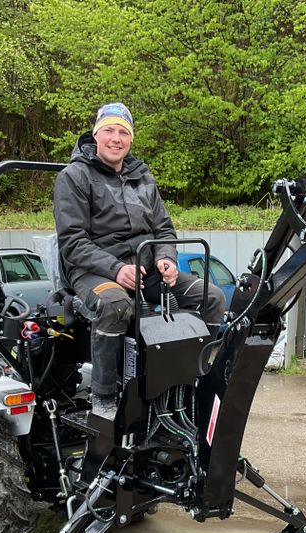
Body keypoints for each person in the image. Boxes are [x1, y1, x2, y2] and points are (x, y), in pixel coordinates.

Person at [54, 102, 226, 417]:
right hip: (93, 270)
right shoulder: (74, 176)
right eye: (109, 130)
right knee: (117, 305)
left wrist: (166, 259)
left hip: (146, 267)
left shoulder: (141, 176)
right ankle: (104, 397)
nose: (116, 138)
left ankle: (195, 376)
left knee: (211, 297)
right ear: (96, 134)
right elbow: (72, 242)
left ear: (131, 139)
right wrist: (116, 269)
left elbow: (164, 229)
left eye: (123, 132)